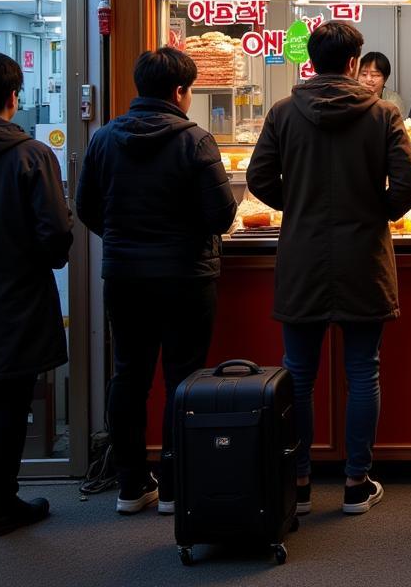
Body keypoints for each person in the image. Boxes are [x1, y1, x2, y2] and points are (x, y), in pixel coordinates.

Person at [247, 22, 411, 517]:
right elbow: (407, 185)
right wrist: (376, 209)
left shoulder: (284, 112)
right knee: (362, 372)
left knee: (298, 376)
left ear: (312, 62)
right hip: (363, 255)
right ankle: (355, 482)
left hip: (302, 256)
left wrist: (298, 204)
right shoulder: (382, 112)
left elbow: (259, 176)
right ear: (352, 63)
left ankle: (299, 482)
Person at [76, 47, 236, 515]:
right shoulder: (196, 141)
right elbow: (221, 214)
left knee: (129, 375)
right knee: (183, 379)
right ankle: (173, 484)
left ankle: (129, 485)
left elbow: (86, 208)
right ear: (180, 92)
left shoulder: (104, 139)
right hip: (186, 275)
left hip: (124, 275)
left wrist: (124, 240)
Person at [0, 54, 73, 538]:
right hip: (14, 296)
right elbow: (55, 233)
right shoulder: (31, 155)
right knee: (8, 401)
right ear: (13, 97)